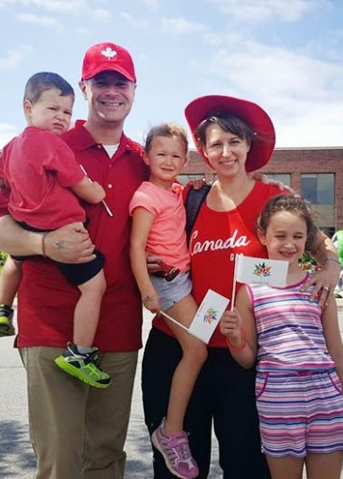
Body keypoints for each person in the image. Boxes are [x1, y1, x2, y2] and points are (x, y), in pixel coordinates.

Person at [141, 95, 341, 479]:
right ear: (203, 150)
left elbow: (317, 244)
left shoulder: (273, 197)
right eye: (216, 144)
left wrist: (330, 265)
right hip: (182, 343)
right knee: (177, 469)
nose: (226, 152)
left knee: (246, 464)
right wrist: (151, 259)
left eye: (234, 142)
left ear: (249, 145)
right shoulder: (189, 196)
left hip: (244, 354)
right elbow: (153, 233)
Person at [0, 42, 147, 478]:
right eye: (101, 82)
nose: (112, 91)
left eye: (120, 82)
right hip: (50, 322)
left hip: (119, 326)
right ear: (84, 88)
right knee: (59, 459)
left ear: (134, 89)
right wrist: (43, 245)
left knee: (106, 456)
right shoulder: (43, 144)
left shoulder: (144, 161)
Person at [219, 194, 343, 479]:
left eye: (297, 236)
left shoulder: (319, 285)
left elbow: (338, 354)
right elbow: (248, 359)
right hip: (278, 400)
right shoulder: (249, 291)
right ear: (263, 235)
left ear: (308, 239)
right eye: (280, 235)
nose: (289, 244)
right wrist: (235, 339)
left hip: (326, 397)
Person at [0, 71, 111, 388]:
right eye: (52, 109)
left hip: (25, 220)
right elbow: (78, 183)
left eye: (67, 112)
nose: (61, 118)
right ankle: (80, 352)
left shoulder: (12, 145)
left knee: (16, 259)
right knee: (93, 287)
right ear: (28, 107)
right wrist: (98, 192)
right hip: (63, 228)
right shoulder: (53, 145)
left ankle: (1, 309)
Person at [129, 122, 203, 478]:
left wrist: (193, 187)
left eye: (176, 155)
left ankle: (174, 426)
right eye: (161, 154)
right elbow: (136, 248)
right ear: (146, 156)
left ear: (185, 159)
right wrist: (147, 289)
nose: (169, 160)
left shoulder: (174, 191)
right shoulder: (145, 196)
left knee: (202, 335)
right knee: (198, 350)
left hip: (186, 281)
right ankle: (170, 431)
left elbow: (183, 200)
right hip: (168, 287)